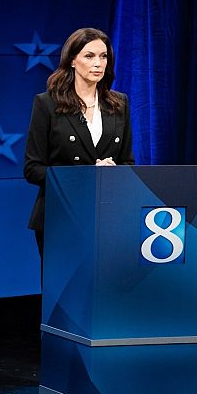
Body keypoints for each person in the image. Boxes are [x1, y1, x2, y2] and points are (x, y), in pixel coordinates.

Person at [23, 27, 134, 261]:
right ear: (72, 60)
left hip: (106, 219)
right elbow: (33, 170)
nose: (98, 63)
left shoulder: (119, 104)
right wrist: (87, 175)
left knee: (103, 294)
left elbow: (127, 162)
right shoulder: (47, 104)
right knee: (66, 297)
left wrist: (114, 173)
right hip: (61, 218)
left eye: (103, 56)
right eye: (89, 56)